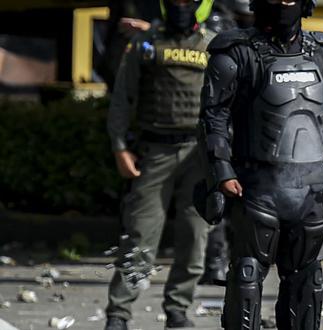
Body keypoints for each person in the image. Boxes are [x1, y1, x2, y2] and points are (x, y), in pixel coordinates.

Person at [200, 0, 323, 328]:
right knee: (247, 273)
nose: (283, 6)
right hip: (257, 184)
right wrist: (221, 170)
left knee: (307, 277)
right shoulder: (236, 52)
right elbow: (214, 118)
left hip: (313, 187)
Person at [104, 1, 215, 329]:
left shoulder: (213, 44)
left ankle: (178, 309)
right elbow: (122, 97)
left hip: (199, 154)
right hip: (155, 152)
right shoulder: (146, 42)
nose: (182, 7)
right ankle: (119, 313)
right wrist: (119, 146)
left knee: (195, 238)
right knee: (140, 236)